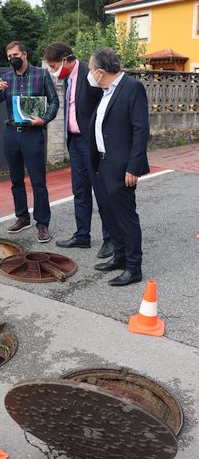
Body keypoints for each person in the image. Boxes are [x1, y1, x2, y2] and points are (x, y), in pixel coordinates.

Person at [43, 42, 113, 259]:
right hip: (74, 141)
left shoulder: (90, 74)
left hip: (90, 142)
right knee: (80, 190)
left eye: (54, 66)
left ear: (65, 60)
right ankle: (82, 235)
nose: (53, 71)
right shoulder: (67, 78)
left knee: (100, 191)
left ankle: (110, 239)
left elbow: (106, 104)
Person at [88, 47, 150, 286]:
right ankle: (120, 257)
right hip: (102, 163)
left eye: (91, 70)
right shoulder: (106, 91)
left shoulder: (132, 88)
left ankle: (134, 268)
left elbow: (140, 129)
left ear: (101, 72)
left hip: (122, 166)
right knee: (109, 215)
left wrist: (134, 167)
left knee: (126, 218)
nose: (90, 74)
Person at [0, 41, 59, 243]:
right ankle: (22, 217)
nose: (12, 58)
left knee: (38, 181)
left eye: (15, 54)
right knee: (16, 180)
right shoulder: (6, 77)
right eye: (9, 55)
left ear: (25, 54)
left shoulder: (41, 74)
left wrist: (44, 119)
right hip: (11, 133)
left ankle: (42, 223)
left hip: (33, 133)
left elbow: (54, 100)